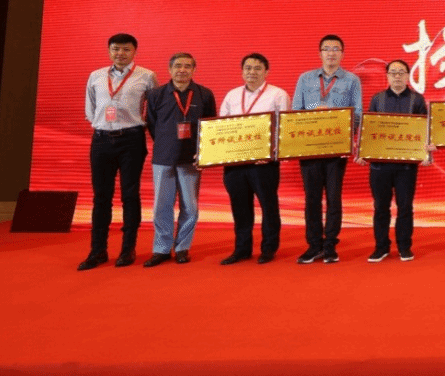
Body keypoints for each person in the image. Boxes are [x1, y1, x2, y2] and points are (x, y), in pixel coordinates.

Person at [78, 33, 157, 271]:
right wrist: (104, 124)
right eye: (115, 49)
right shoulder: (96, 76)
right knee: (101, 197)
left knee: (130, 195)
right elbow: (90, 109)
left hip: (131, 139)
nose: (120, 53)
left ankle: (127, 249)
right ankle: (98, 250)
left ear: (134, 51)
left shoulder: (147, 76)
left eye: (126, 49)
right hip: (101, 139)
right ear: (109, 50)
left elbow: (153, 110)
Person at [291, 34, 362, 265]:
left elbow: (358, 113)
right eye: (327, 48)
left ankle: (330, 245)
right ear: (320, 53)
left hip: (336, 149)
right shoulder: (305, 78)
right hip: (310, 148)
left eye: (336, 49)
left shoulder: (351, 80)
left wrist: (341, 128)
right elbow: (296, 111)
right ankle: (313, 245)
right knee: (312, 198)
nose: (331, 52)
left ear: (342, 53)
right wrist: (316, 113)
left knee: (333, 197)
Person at [143, 52, 216, 267]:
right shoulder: (155, 94)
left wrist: (203, 153)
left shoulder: (204, 94)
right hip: (163, 157)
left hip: (191, 158)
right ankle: (161, 249)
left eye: (187, 66)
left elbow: (210, 126)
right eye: (178, 66)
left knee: (190, 207)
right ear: (169, 69)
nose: (182, 70)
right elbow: (152, 124)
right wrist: (165, 144)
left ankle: (183, 247)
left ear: (194, 70)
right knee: (161, 206)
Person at [218, 53, 290, 265]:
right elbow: (221, 127)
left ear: (266, 72)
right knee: (239, 207)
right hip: (235, 163)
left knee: (268, 206)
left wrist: (271, 154)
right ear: (242, 72)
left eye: (258, 68)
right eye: (248, 68)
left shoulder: (278, 94)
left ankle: (268, 248)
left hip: (263, 163)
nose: (252, 72)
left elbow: (284, 127)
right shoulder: (232, 95)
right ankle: (242, 249)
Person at [357, 59, 430, 262]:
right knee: (381, 207)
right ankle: (381, 247)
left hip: (406, 166)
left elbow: (425, 130)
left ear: (407, 75)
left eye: (401, 72)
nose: (397, 76)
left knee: (405, 207)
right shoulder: (377, 99)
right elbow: (369, 128)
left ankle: (404, 247)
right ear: (387, 76)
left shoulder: (417, 100)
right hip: (380, 165)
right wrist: (363, 151)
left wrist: (425, 154)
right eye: (393, 72)